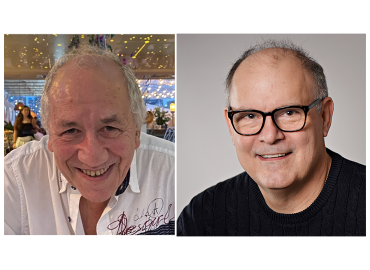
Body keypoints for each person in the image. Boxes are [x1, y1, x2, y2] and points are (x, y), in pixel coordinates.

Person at [177, 38, 366, 237]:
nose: (269, 136)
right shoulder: (202, 217)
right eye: (250, 116)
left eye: (289, 113)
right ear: (230, 126)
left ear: (325, 117)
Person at [4, 45, 175, 235]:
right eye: (70, 131)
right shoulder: (14, 180)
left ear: (136, 132)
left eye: (110, 128)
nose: (92, 157)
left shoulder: (176, 174)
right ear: (50, 135)